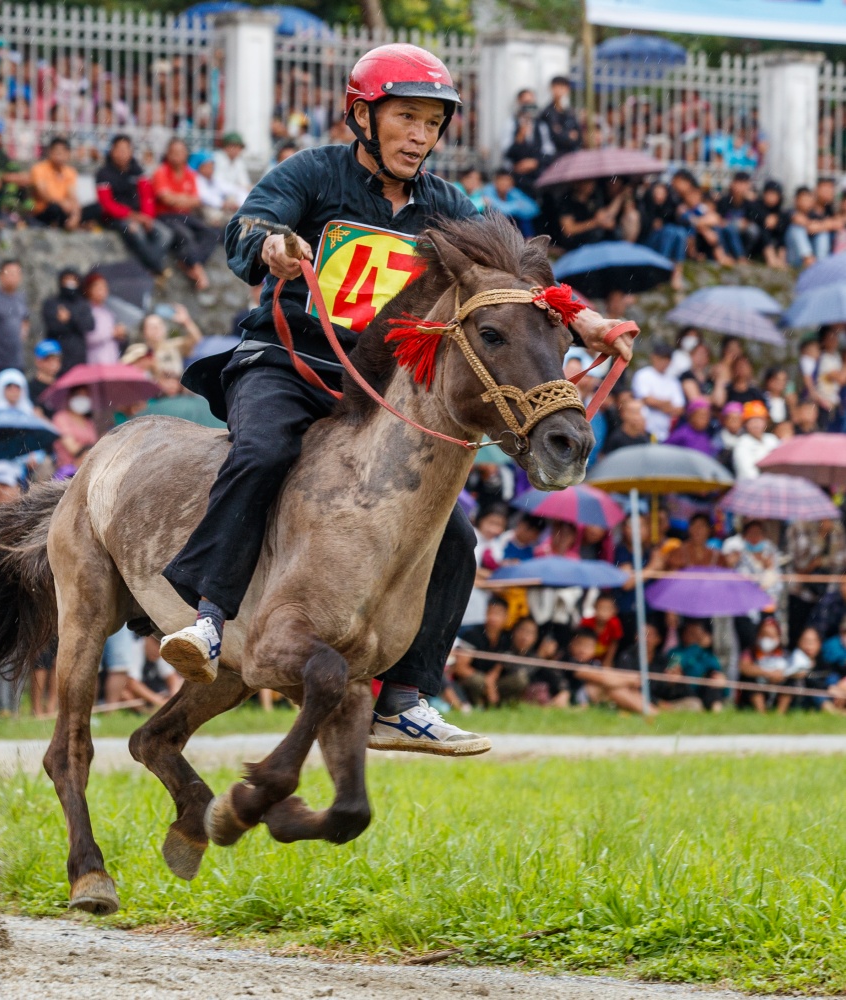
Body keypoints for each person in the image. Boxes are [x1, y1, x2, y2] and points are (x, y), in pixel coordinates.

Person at [164, 43, 634, 755]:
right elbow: (245, 228)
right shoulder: (312, 173)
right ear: (362, 115)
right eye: (406, 118)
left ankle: (405, 699)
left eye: (432, 123)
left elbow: (521, 285)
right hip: (287, 361)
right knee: (262, 451)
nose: (420, 136)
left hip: (377, 387)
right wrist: (271, 247)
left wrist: (588, 321)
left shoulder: (448, 206)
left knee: (457, 536)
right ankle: (206, 619)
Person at [95, 135, 170, 274]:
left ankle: (150, 264)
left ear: (131, 151)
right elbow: (107, 204)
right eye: (119, 149)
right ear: (112, 151)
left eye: (126, 149)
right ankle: (156, 267)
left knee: (165, 234)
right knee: (136, 233)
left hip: (141, 216)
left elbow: (147, 197)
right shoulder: (104, 174)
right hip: (115, 218)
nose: (122, 153)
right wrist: (132, 217)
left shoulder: (138, 171)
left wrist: (147, 217)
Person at [151, 137, 219, 290]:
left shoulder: (190, 174)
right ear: (168, 153)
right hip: (165, 216)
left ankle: (190, 262)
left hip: (185, 215)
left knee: (211, 233)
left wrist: (178, 199)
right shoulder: (160, 172)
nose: (177, 155)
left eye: (181, 152)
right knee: (185, 235)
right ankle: (198, 270)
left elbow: (196, 200)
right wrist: (182, 198)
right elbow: (165, 199)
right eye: (174, 152)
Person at [631, 342, 686, 440]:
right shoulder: (643, 375)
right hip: (642, 430)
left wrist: (657, 403)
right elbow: (647, 400)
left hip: (664, 434)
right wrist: (667, 404)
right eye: (661, 358)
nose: (664, 362)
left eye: (667, 359)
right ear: (653, 357)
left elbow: (679, 409)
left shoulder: (673, 381)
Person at [41, 268, 94, 371]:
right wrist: (75, 324)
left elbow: (89, 325)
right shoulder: (52, 303)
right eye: (67, 279)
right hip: (57, 355)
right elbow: (53, 326)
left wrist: (70, 318)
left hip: (79, 356)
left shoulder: (83, 304)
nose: (70, 283)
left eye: (73, 279)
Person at [30, 137, 81, 230]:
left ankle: (71, 223)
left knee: (95, 209)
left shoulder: (70, 172)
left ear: (68, 154)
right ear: (50, 152)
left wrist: (75, 215)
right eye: (57, 152)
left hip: (64, 209)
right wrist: (62, 203)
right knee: (54, 208)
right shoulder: (39, 168)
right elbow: (43, 194)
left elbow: (73, 195)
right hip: (44, 210)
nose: (59, 155)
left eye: (63, 152)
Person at [730, 401, 779, 480]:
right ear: (745, 424)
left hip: (773, 483)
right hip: (750, 487)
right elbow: (748, 473)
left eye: (759, 420)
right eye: (752, 420)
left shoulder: (772, 439)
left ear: (765, 422)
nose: (756, 424)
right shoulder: (742, 443)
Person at [538, 76, 581, 158]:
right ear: (551, 88)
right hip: (554, 156)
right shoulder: (547, 112)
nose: (559, 90)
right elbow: (554, 136)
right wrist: (568, 135)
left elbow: (578, 136)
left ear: (567, 89)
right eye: (556, 87)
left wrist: (563, 133)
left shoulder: (569, 112)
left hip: (571, 154)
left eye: (562, 87)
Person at [28, 339, 62, 416]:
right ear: (38, 361)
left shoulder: (62, 386)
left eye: (56, 359)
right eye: (48, 359)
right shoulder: (30, 387)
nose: (53, 363)